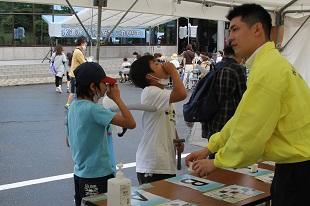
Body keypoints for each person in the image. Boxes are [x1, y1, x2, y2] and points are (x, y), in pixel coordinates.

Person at [185, 4, 310, 206]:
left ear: (257, 29)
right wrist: (211, 147)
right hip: (297, 166)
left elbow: (249, 132)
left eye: (235, 29)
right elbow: (242, 117)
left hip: (299, 171)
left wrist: (216, 161)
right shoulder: (270, 64)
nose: (229, 38)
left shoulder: (268, 70)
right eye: (229, 31)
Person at [66, 62, 136, 206]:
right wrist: (117, 98)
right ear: (93, 87)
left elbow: (68, 141)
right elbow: (130, 123)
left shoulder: (73, 106)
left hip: (80, 174)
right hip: (98, 176)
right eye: (104, 84)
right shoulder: (94, 110)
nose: (107, 88)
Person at [129, 55, 187, 185]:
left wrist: (176, 139)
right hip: (153, 164)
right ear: (149, 76)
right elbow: (182, 94)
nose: (161, 64)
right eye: (156, 64)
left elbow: (168, 118)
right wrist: (173, 70)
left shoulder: (163, 94)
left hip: (164, 162)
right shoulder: (150, 92)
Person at [201, 45, 247, 159]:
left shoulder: (216, 66)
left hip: (211, 118)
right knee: (226, 158)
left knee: (213, 153)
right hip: (227, 120)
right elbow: (244, 96)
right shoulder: (237, 69)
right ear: (236, 53)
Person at [65, 36, 87, 108]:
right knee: (74, 91)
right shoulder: (78, 52)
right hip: (75, 75)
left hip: (75, 74)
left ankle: (71, 104)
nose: (86, 44)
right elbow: (83, 63)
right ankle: (68, 104)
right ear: (81, 43)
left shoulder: (77, 51)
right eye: (85, 43)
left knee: (77, 91)